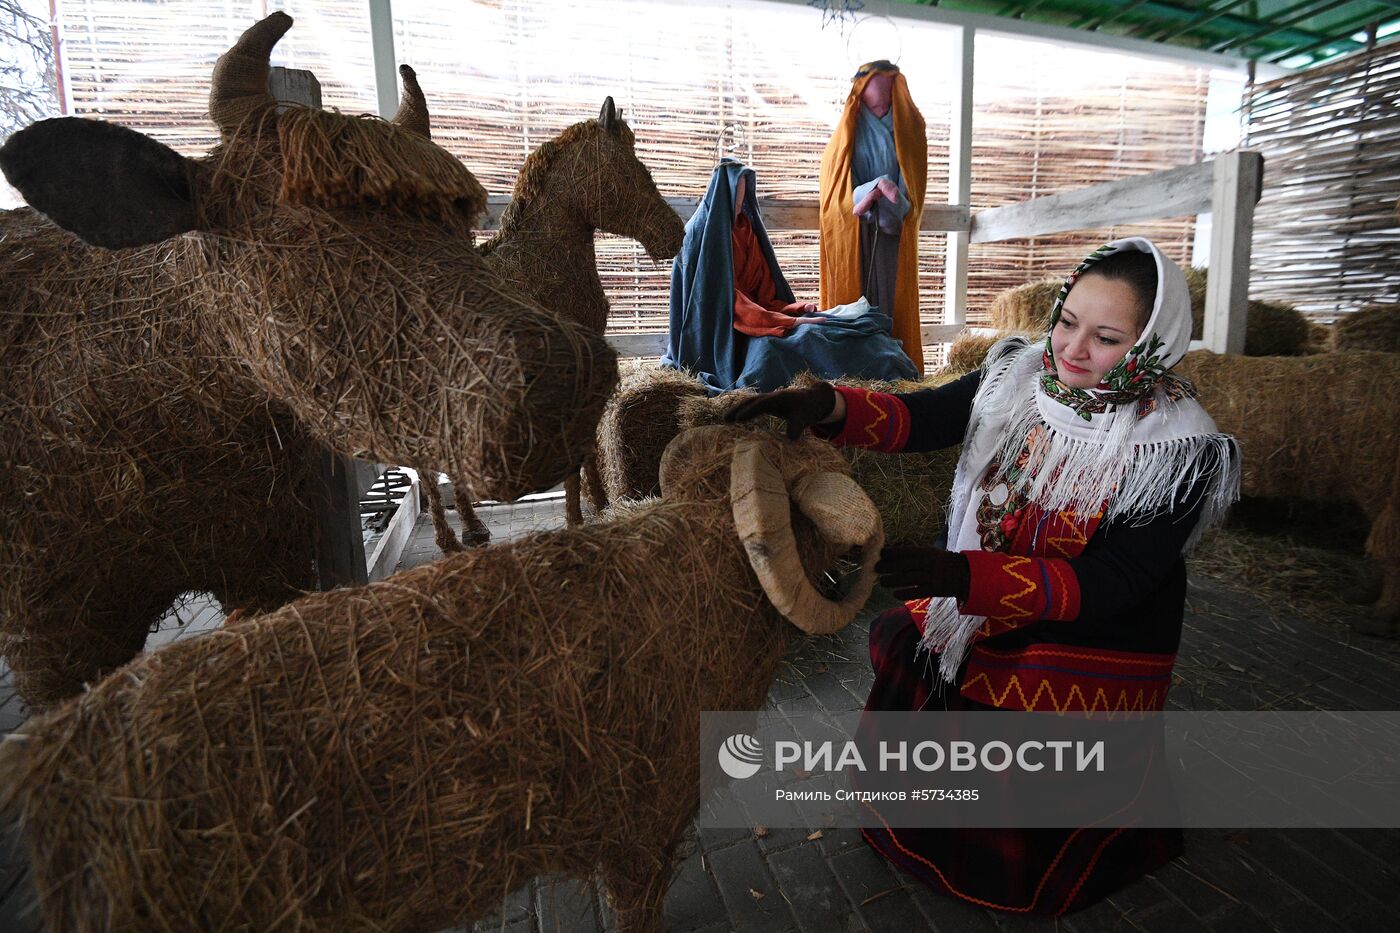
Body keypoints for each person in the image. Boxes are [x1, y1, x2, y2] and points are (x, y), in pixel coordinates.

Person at [726, 237, 1240, 915]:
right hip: (986, 585)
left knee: (1014, 688)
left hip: (1099, 625)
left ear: (1153, 342)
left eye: (1108, 337)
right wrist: (827, 407)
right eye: (1067, 321)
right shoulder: (1021, 375)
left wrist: (964, 576)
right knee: (918, 645)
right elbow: (929, 415)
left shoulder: (1178, 449)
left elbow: (1114, 581)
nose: (1073, 349)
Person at [819, 59, 927, 374]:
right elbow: (834, 184)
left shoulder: (908, 126)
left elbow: (914, 178)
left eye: (888, 82)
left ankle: (892, 367)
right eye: (874, 82)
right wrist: (864, 192)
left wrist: (897, 202)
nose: (881, 89)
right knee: (857, 295)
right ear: (861, 88)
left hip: (892, 223)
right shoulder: (848, 129)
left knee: (889, 296)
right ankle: (854, 368)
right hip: (856, 226)